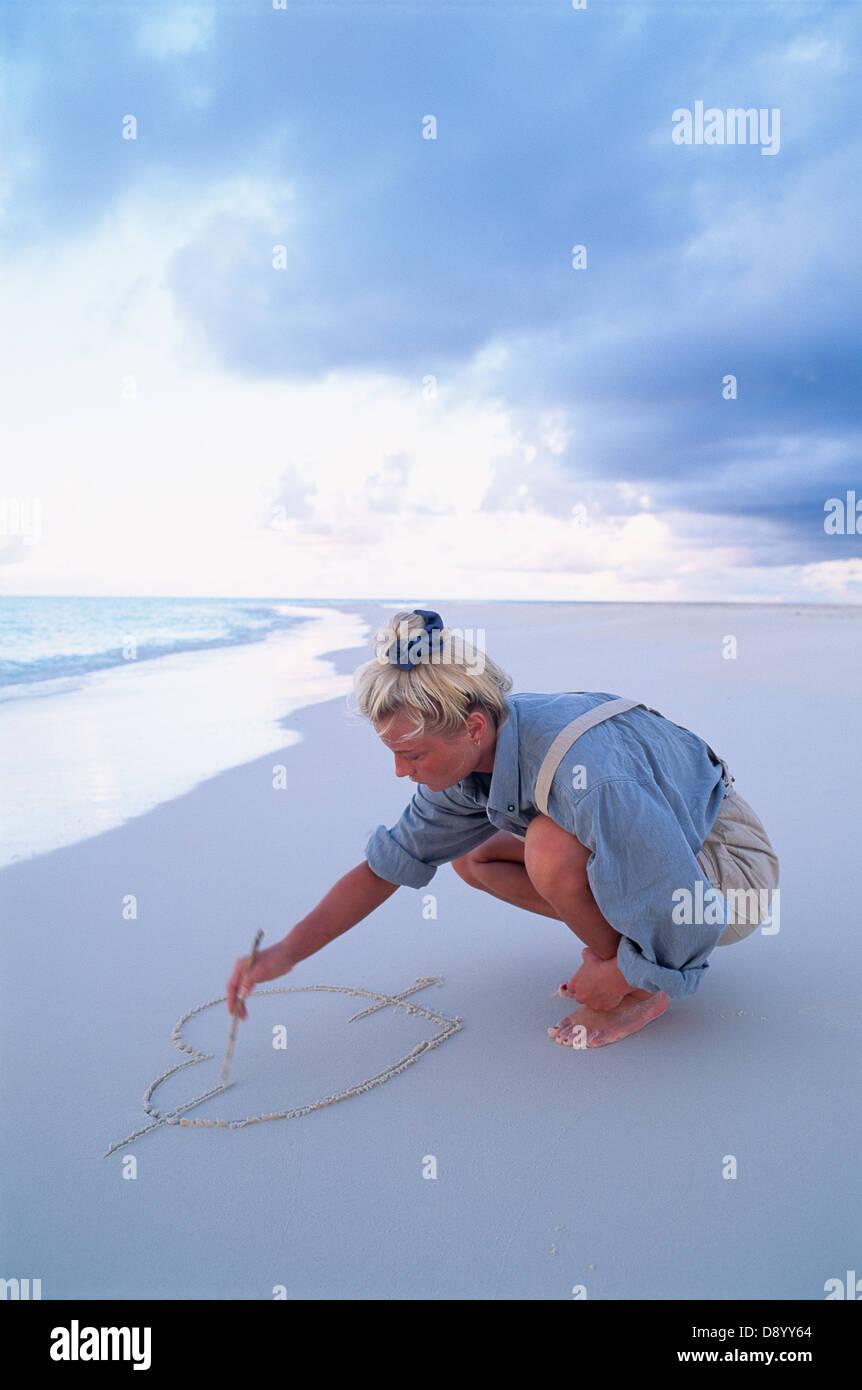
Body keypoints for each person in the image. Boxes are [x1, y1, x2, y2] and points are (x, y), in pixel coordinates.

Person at [227, 609, 779, 1048]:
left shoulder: (587, 776)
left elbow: (681, 897)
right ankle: (622, 950)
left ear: (472, 727)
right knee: (473, 856)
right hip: (659, 843)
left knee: (549, 847)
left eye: (412, 755)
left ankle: (637, 985)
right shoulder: (478, 753)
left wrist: (627, 974)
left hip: (727, 871)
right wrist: (286, 952)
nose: (401, 772)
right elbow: (388, 864)